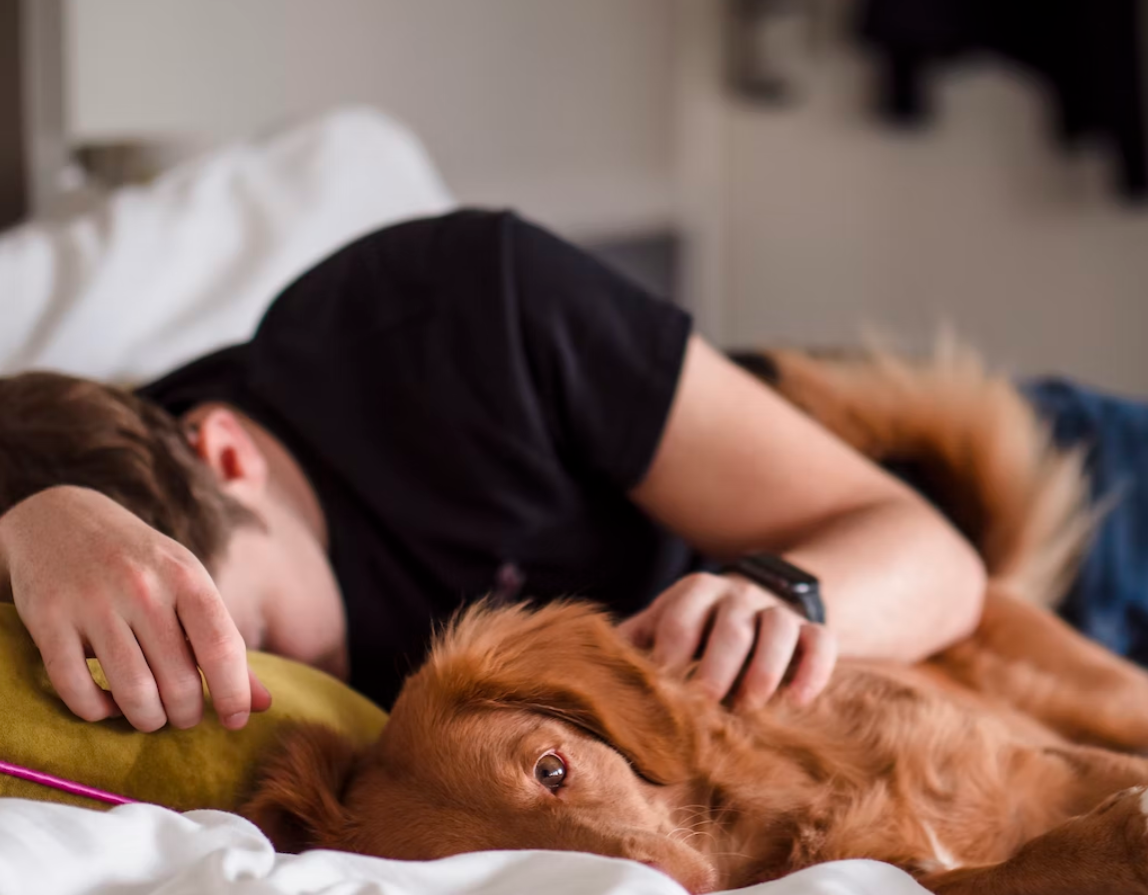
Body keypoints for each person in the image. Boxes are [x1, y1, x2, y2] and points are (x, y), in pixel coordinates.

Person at [0, 211, 986, 733]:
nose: (272, 695)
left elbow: (936, 555)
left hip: (935, 449)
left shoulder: (462, 307)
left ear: (229, 457)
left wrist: (778, 599)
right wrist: (30, 520)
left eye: (254, 636)